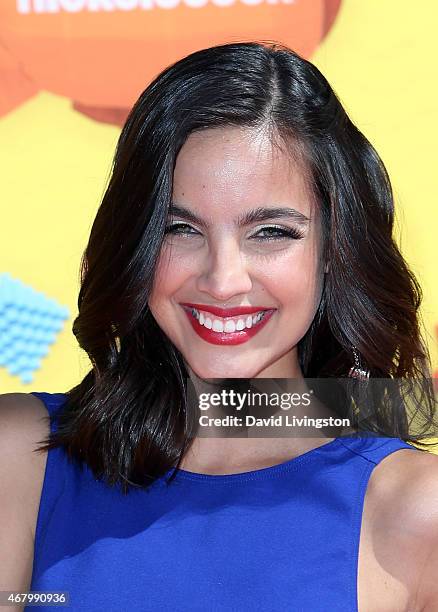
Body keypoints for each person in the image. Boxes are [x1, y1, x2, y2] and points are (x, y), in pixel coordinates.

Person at [1, 40, 438, 612]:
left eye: (271, 232)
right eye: (181, 229)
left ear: (333, 250)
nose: (223, 279)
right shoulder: (21, 457)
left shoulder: (414, 510)